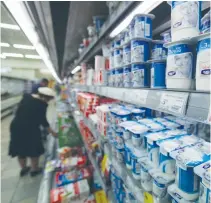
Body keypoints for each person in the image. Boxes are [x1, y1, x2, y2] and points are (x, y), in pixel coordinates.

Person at [9, 87, 57, 177]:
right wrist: (53, 133)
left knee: (20, 148)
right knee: (34, 148)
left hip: (16, 126)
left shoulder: (27, 97)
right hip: (30, 128)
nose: (48, 101)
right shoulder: (41, 104)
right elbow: (43, 121)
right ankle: (34, 169)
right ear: (44, 97)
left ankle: (24, 168)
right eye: (48, 99)